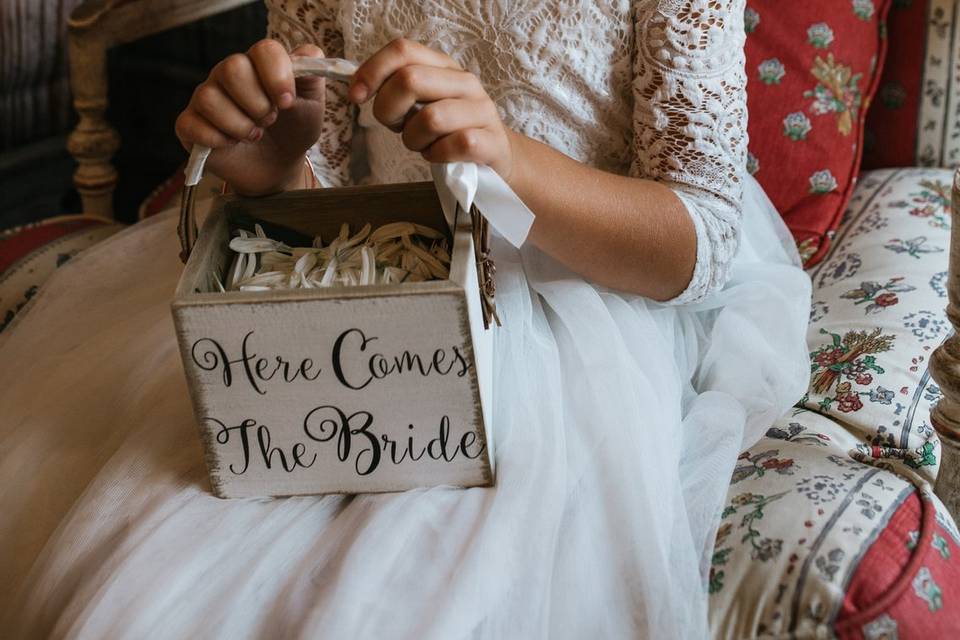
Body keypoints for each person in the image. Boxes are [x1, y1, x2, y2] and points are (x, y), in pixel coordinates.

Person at [1, 1, 811, 638]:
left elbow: (696, 246)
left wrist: (505, 160)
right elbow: (322, 188)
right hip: (378, 272)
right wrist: (272, 164)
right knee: (148, 574)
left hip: (582, 300)